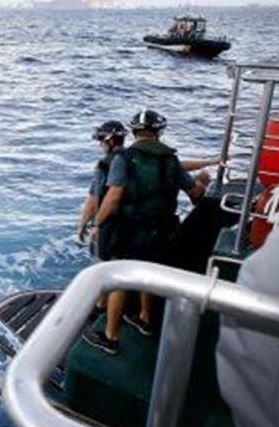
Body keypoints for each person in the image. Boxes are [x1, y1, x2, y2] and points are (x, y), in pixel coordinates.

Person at [84, 108, 208, 355]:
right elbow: (195, 193)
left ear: (133, 131)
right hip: (163, 230)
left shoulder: (124, 158)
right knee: (150, 274)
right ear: (159, 132)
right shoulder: (170, 160)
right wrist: (204, 180)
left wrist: (97, 223)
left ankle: (110, 338)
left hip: (131, 231)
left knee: (119, 279)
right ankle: (146, 320)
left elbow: (114, 196)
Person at [76, 120, 128, 262]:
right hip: (134, 228)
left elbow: (94, 200)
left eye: (101, 140)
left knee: (103, 267)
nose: (100, 144)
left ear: (109, 141)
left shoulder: (105, 165)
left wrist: (84, 226)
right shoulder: (134, 158)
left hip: (111, 229)